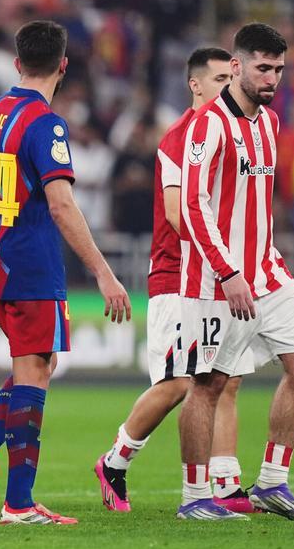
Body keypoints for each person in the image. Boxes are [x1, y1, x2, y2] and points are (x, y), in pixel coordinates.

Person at [0, 20, 131, 526]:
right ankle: (19, 502)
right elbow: (60, 204)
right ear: (63, 65)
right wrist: (103, 272)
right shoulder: (46, 123)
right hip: (31, 264)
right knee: (35, 371)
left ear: (16, 64)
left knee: (36, 364)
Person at [95, 48, 256, 513]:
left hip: (220, 277)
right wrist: (222, 259)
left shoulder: (235, 131)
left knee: (226, 379)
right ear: (195, 84)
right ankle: (114, 462)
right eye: (222, 78)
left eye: (233, 77)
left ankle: (225, 484)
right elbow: (176, 212)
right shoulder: (181, 137)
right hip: (178, 276)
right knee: (180, 383)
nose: (231, 85)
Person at [176, 23, 294, 521]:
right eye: (263, 67)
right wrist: (227, 271)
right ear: (236, 67)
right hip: (217, 282)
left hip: (267, 271)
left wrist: (256, 261)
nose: (272, 78)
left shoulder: (270, 123)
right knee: (208, 384)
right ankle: (195, 496)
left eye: (279, 69)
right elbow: (194, 207)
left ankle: (272, 483)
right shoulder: (208, 126)